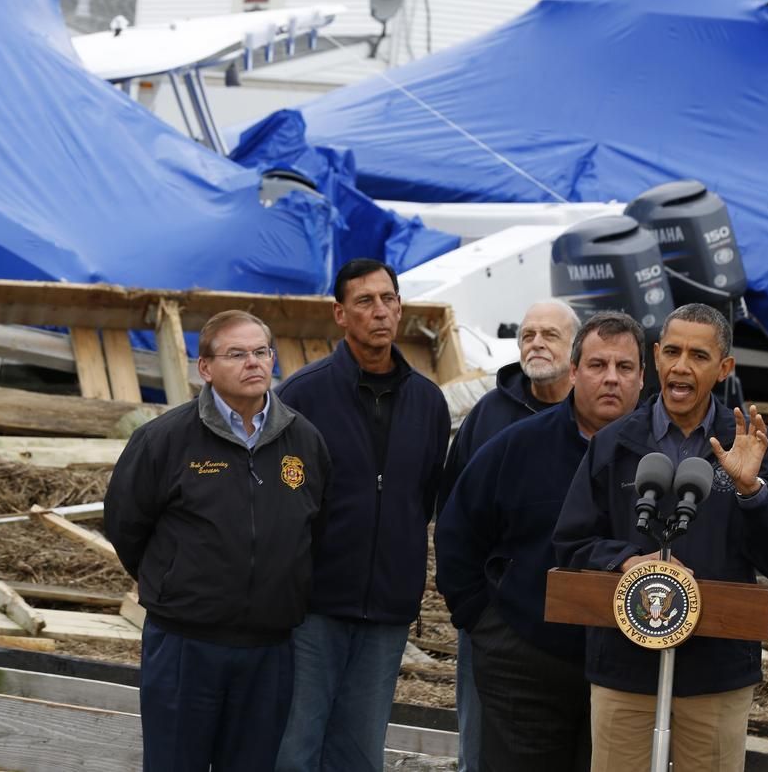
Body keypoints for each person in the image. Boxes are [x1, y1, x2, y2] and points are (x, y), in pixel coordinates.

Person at [554, 302, 768, 772]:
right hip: (624, 671)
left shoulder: (748, 444)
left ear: (724, 367)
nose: (681, 367)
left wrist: (752, 491)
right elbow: (571, 542)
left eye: (698, 355)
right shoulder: (614, 443)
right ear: (656, 357)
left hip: (715, 673)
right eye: (672, 351)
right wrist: (628, 560)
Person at [104, 310, 330, 772]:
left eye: (262, 352)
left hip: (269, 648)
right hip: (187, 643)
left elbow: (315, 529)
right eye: (237, 354)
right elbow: (127, 525)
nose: (254, 363)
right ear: (205, 368)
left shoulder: (303, 441)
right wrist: (176, 582)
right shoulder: (165, 439)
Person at [437, 311, 645, 772]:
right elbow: (456, 532)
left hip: (629, 668)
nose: (611, 378)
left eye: (624, 367)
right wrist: (485, 625)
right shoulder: (517, 446)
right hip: (525, 662)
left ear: (641, 377)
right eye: (597, 365)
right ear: (574, 372)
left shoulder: (662, 457)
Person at [274, 258, 451, 772]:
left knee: (359, 752)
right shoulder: (303, 395)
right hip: (314, 608)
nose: (380, 312)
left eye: (389, 299)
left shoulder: (428, 402)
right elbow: (285, 503)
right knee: (295, 747)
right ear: (340, 314)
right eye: (365, 302)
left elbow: (420, 500)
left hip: (387, 610)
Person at [438, 298, 580, 772]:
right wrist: (476, 613)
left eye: (549, 335)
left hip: (576, 628)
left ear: (575, 349)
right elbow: (453, 513)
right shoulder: (489, 414)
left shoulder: (598, 419)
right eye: (527, 335)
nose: (535, 343)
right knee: (480, 751)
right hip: (495, 624)